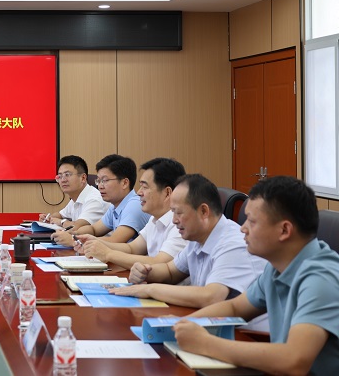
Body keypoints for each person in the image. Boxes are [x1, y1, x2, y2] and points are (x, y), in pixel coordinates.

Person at [173, 176, 339, 375]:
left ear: (284, 230)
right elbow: (235, 308)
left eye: (252, 221)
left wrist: (204, 343)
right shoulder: (277, 267)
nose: (243, 228)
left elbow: (294, 361)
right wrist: (182, 324)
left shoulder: (321, 279)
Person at [110, 173, 265, 308]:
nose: (174, 220)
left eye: (179, 213)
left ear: (203, 211)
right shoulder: (197, 238)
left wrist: (150, 289)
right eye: (172, 212)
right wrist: (144, 272)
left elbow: (211, 296)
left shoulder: (233, 243)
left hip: (246, 330)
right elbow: (170, 272)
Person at [73, 157, 186, 270]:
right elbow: (132, 248)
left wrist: (108, 254)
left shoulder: (180, 225)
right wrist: (93, 241)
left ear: (167, 193)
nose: (139, 192)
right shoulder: (154, 219)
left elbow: (159, 263)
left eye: (145, 187)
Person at [51, 154, 150, 246]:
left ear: (124, 183)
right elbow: (93, 229)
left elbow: (114, 241)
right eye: (98, 181)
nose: (100, 186)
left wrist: (74, 239)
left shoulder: (134, 205)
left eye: (105, 180)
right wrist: (72, 233)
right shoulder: (115, 206)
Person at [40, 155, 108, 231]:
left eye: (67, 175)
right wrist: (48, 218)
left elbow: (76, 227)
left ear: (83, 178)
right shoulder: (76, 197)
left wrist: (61, 222)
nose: (63, 180)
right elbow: (60, 215)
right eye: (60, 176)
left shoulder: (94, 200)